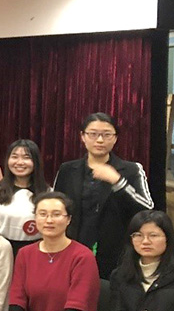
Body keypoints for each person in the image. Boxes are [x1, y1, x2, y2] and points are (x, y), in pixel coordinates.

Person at [0, 192, 101, 311]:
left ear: (68, 219)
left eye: (56, 214)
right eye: (43, 214)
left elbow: (76, 306)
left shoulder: (82, 256)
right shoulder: (25, 254)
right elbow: (17, 298)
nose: (49, 220)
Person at [53, 112, 153, 278]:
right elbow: (54, 207)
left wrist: (118, 182)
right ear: (83, 136)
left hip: (115, 253)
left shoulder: (131, 169)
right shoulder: (67, 170)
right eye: (93, 134)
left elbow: (146, 209)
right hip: (72, 247)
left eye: (107, 135)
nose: (99, 140)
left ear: (115, 138)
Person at [0, 140, 49, 254]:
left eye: (26, 157)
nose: (20, 162)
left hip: (37, 250)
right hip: (2, 249)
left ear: (35, 161)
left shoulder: (47, 193)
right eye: (14, 157)